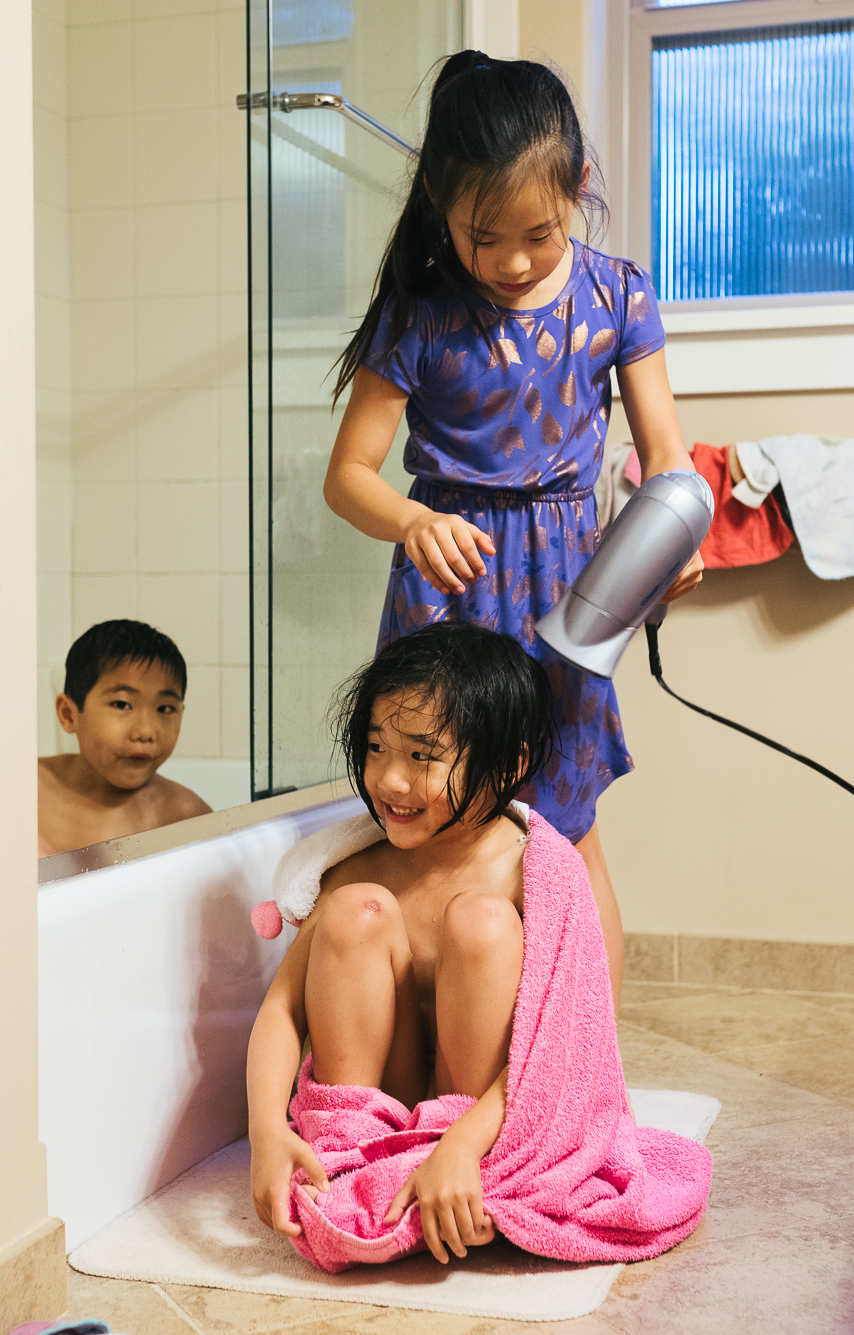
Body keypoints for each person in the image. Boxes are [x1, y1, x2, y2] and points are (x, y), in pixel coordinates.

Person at [321, 51, 702, 1006]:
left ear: (578, 187)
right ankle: (452, 1053)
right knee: (440, 818)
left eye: (538, 232)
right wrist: (413, 519)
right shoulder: (421, 315)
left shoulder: (617, 295)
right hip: (450, 590)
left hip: (577, 592)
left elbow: (668, 456)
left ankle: (585, 1073)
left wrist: (670, 543)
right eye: (482, 238)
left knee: (565, 829)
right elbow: (348, 477)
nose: (514, 261)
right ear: (442, 206)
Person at [246, 622, 555, 1264]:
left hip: (480, 1119)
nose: (389, 780)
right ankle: (348, 1152)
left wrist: (462, 1145)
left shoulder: (534, 873)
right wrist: (266, 1131)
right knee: (354, 912)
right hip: (374, 1112)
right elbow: (282, 1009)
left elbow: (554, 1051)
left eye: (421, 756)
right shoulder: (361, 865)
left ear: (507, 765)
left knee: (483, 923)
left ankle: (460, 1167)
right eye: (376, 747)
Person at [37, 619, 210, 856]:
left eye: (165, 708)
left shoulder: (187, 817)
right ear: (69, 715)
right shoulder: (29, 790)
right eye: (122, 704)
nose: (146, 732)